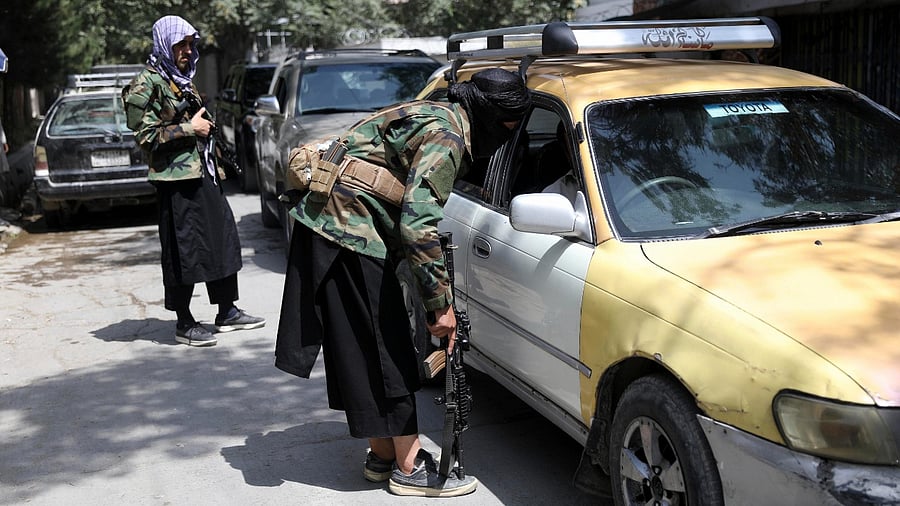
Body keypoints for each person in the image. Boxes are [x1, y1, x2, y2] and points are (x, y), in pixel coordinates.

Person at [274, 68, 531, 497]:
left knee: (360, 345)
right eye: (508, 127)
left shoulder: (442, 113)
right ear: (491, 117)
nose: (508, 137)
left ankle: (383, 454)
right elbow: (418, 226)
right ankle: (410, 468)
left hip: (328, 224)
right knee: (387, 344)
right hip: (347, 229)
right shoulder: (448, 137)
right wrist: (439, 306)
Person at [122, 15, 264, 347]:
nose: (187, 51)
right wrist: (190, 129)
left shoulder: (183, 81)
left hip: (203, 172)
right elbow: (144, 136)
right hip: (175, 180)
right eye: (180, 45)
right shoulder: (147, 83)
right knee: (182, 249)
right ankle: (184, 321)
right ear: (164, 45)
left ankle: (226, 311)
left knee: (221, 237)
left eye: (190, 44)